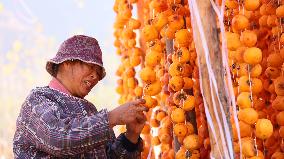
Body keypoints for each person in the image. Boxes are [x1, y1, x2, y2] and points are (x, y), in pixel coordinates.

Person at [13, 35, 148, 158]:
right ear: (66, 62)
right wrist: (111, 118)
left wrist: (131, 136)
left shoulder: (90, 111)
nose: (95, 76)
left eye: (98, 73)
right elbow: (58, 139)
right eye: (90, 66)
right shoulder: (38, 100)